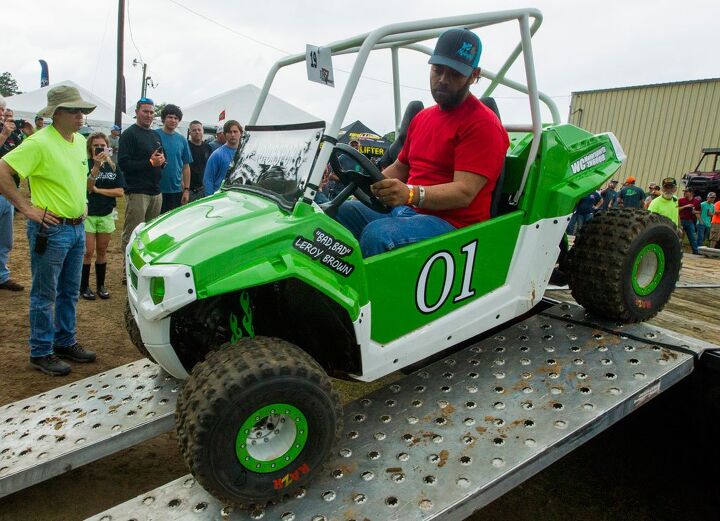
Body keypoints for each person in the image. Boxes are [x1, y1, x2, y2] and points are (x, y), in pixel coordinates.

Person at [336, 28, 509, 257]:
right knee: (339, 213)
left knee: (378, 235)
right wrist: (365, 182)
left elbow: (464, 192)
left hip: (454, 227)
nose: (443, 80)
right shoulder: (422, 118)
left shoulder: (483, 125)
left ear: (474, 75)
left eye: (455, 74)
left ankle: (371, 294)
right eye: (438, 70)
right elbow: (400, 167)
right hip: (406, 212)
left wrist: (409, 194)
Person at [0, 85, 98, 376]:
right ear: (57, 113)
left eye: (82, 110)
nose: (81, 116)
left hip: (76, 227)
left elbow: (75, 178)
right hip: (51, 231)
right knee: (45, 293)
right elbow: (3, 170)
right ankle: (41, 351)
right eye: (74, 110)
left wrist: (83, 203)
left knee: (68, 291)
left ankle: (65, 341)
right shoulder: (39, 142)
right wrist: (28, 209)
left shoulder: (80, 141)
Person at [119, 97, 166, 284]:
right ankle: (127, 272)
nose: (148, 115)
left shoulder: (155, 135)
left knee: (150, 235)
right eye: (145, 111)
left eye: (151, 111)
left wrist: (162, 162)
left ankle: (144, 270)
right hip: (137, 191)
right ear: (137, 112)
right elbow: (123, 164)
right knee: (133, 234)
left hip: (156, 191)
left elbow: (162, 158)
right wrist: (149, 163)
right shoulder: (129, 134)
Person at [81, 132, 125, 300]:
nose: (99, 148)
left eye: (102, 146)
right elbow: (87, 187)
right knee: (88, 251)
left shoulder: (113, 166)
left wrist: (99, 190)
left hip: (106, 213)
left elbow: (120, 192)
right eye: (95, 146)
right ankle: (84, 286)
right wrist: (96, 167)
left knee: (102, 250)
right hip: (88, 214)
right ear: (89, 148)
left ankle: (101, 285)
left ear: (107, 147)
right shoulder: (85, 164)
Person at [0, 96, 24, 292]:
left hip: (6, 193)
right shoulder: (4, 134)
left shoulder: (11, 135)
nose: (2, 113)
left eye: (3, 109)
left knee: (5, 239)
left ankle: (2, 276)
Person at [155, 104, 192, 213]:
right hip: (156, 189)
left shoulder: (182, 140)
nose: (173, 120)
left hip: (175, 190)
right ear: (163, 119)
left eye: (176, 118)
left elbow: (186, 166)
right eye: (170, 117)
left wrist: (186, 190)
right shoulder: (154, 135)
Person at [203, 120, 243, 195]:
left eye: (235, 131)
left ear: (240, 133)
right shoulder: (217, 154)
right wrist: (210, 199)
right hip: (220, 197)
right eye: (229, 132)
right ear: (225, 134)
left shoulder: (244, 154)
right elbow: (208, 180)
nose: (232, 134)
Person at [187, 120, 212, 201]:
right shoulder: (185, 146)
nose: (197, 132)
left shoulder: (208, 147)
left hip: (204, 189)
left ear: (203, 131)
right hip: (189, 190)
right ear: (190, 132)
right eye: (194, 130)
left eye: (199, 130)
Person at [678, 187, 700, 254]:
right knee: (678, 236)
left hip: (690, 221)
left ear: (691, 193)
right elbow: (676, 209)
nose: (684, 193)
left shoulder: (696, 201)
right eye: (684, 191)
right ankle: (677, 250)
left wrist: (695, 212)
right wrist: (685, 206)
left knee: (692, 237)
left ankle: (695, 251)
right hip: (681, 220)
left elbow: (699, 211)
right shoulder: (681, 200)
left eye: (686, 192)